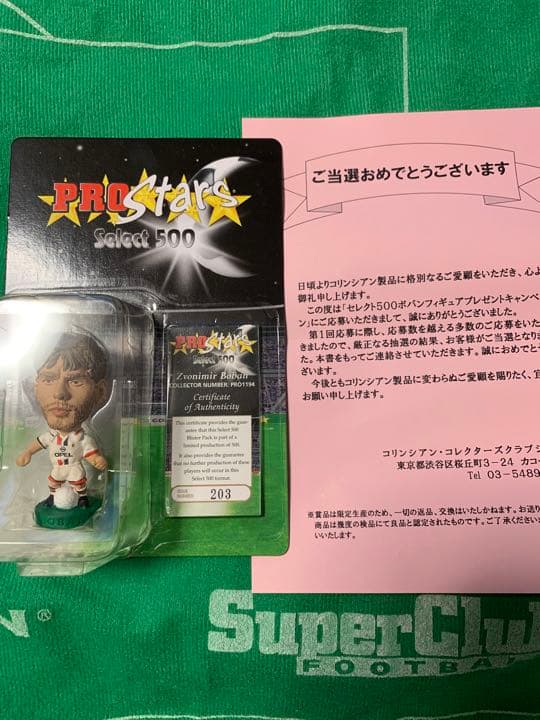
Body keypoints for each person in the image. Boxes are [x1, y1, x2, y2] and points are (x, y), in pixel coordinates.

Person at [16, 332, 109, 508]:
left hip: (74, 468)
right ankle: (52, 498)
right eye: (48, 379)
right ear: (35, 387)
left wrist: (97, 460)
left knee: (78, 479)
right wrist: (27, 453)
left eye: (75, 381)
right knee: (54, 480)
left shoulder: (81, 438)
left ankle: (82, 498)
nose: (59, 393)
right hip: (58, 468)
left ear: (100, 392)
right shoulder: (51, 437)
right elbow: (37, 444)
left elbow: (90, 453)